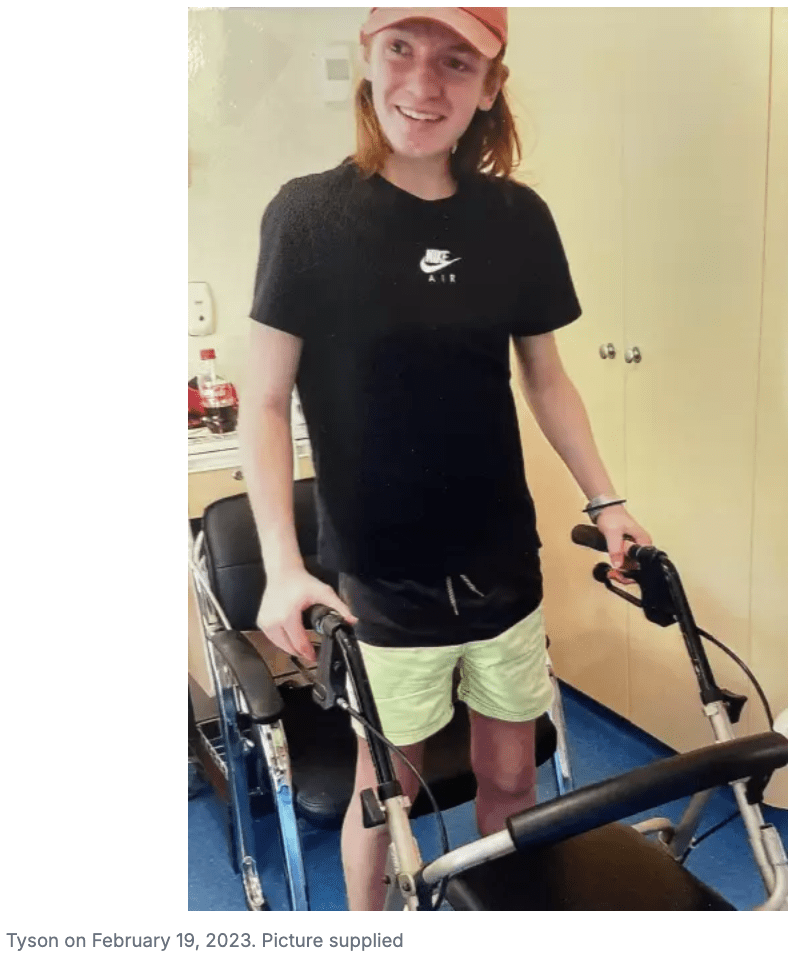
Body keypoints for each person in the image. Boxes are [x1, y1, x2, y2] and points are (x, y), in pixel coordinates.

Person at [239, 7, 652, 911]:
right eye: (402, 49)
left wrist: (607, 500)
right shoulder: (307, 216)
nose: (423, 85)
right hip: (380, 576)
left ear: (491, 85)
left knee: (511, 777)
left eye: (458, 62)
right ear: (368, 55)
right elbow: (264, 402)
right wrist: (282, 566)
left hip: (501, 558)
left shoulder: (517, 217)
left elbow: (546, 377)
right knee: (385, 793)